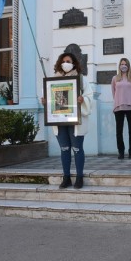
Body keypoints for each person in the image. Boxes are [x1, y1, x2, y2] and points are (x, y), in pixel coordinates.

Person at [42, 52, 93, 189]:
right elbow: (52, 101)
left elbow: (89, 96)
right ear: (60, 63)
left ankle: (79, 177)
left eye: (69, 61)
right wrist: (46, 102)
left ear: (74, 63)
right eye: (64, 61)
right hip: (60, 121)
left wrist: (83, 100)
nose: (66, 63)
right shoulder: (54, 80)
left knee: (77, 149)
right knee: (64, 149)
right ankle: (66, 177)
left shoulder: (81, 80)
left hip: (76, 121)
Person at [111, 58, 131, 159]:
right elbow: (113, 92)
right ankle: (121, 152)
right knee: (119, 131)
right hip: (118, 107)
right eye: (122, 64)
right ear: (119, 66)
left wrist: (130, 101)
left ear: (128, 65)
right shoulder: (115, 78)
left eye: (125, 64)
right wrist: (119, 101)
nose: (123, 66)